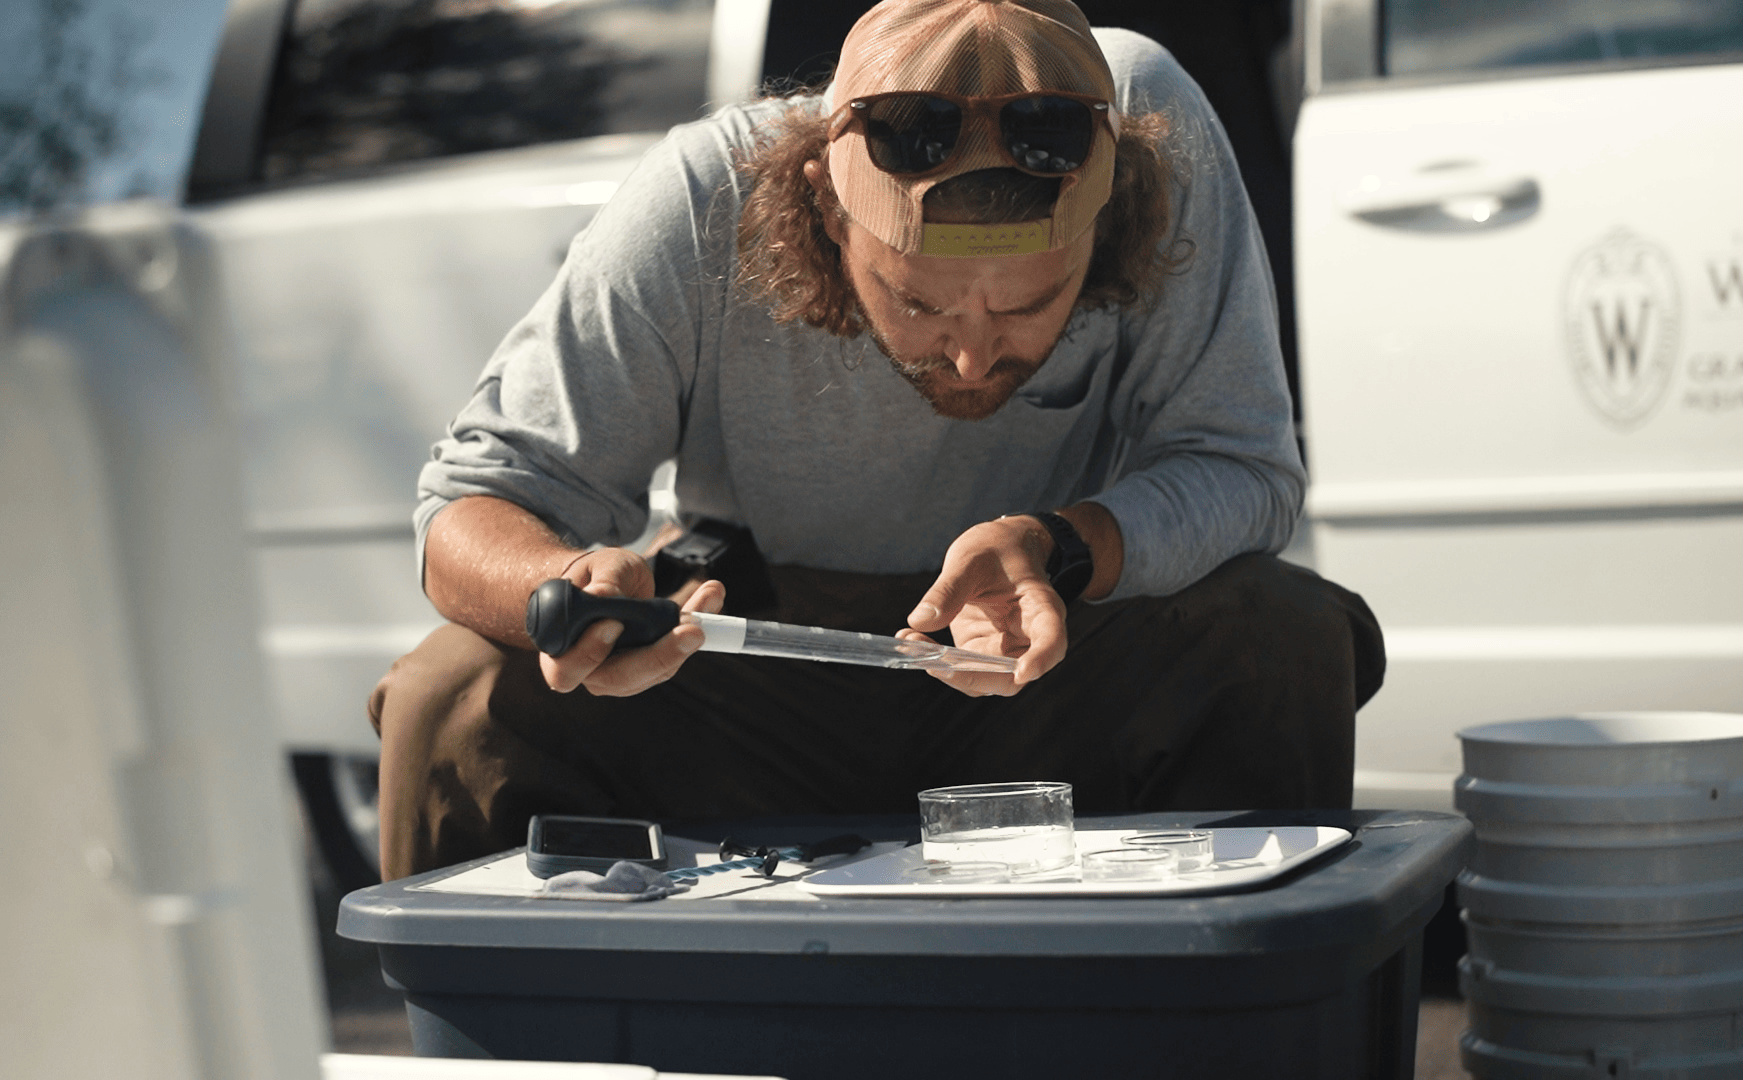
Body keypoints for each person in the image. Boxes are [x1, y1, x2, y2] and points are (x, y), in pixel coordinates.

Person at [369, 0, 1383, 881]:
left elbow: (1243, 465)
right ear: (817, 205)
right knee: (450, 693)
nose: (976, 357)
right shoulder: (701, 193)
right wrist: (564, 599)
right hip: (742, 661)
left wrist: (1061, 545)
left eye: (1034, 308)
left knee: (1279, 630)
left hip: (1043, 665)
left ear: (1114, 219)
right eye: (919, 303)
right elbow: (476, 497)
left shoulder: (1146, 120)